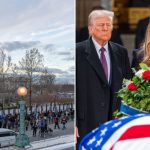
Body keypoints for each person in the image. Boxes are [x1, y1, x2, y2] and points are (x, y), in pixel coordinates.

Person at [76, 10, 132, 146]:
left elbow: (129, 87)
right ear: (90, 28)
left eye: (108, 25)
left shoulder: (121, 52)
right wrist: (74, 124)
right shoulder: (77, 52)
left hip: (115, 124)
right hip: (87, 124)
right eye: (101, 25)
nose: (106, 28)